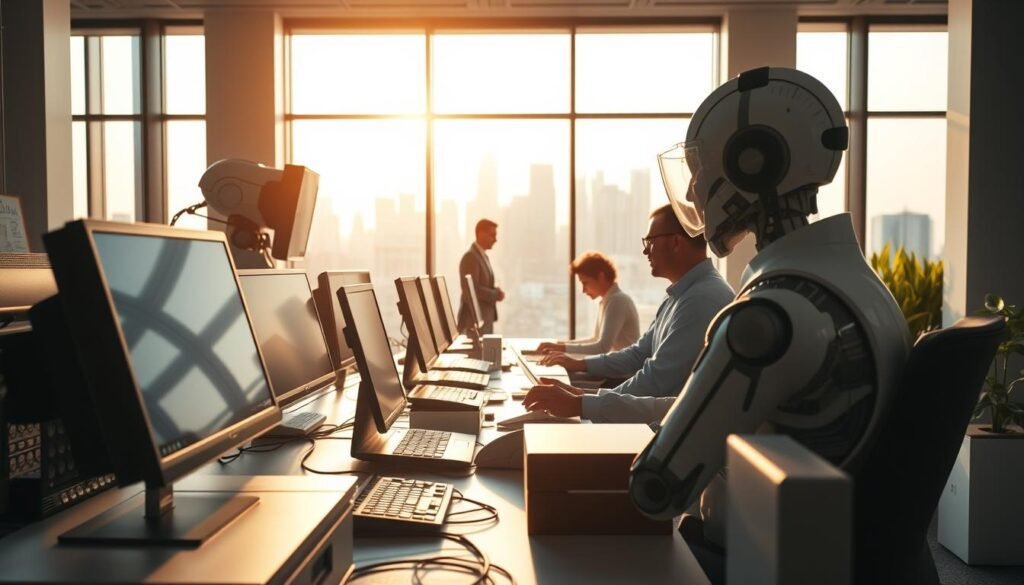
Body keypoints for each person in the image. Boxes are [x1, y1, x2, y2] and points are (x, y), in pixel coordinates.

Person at [523, 204, 734, 423]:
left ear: (675, 242)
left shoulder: (701, 299)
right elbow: (638, 354)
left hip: (667, 435)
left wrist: (581, 402)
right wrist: (581, 396)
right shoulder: (679, 294)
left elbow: (655, 381)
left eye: (650, 242)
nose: (645, 251)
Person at [536, 251, 639, 355]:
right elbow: (595, 339)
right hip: (614, 367)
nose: (583, 290)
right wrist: (558, 344)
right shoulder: (608, 300)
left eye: (585, 283)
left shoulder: (618, 301)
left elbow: (602, 347)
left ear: (601, 277)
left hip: (624, 370)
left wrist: (560, 348)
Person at [458, 218, 504, 335]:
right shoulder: (470, 257)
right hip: (473, 323)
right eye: (492, 235)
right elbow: (472, 290)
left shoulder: (482, 256)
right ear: (480, 234)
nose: (495, 239)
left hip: (484, 321)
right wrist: (495, 294)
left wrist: (495, 291)